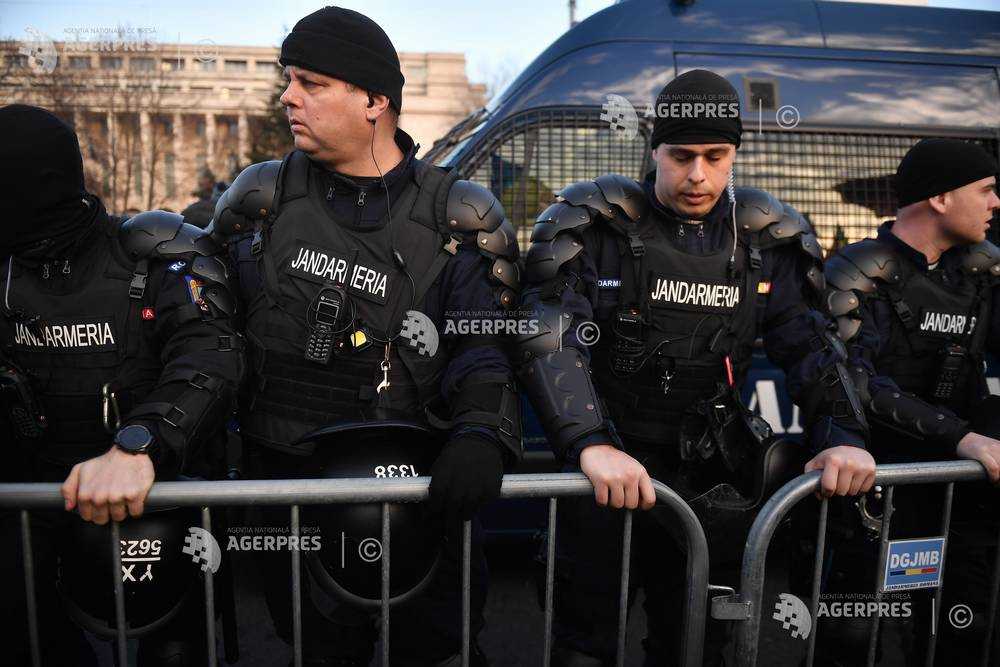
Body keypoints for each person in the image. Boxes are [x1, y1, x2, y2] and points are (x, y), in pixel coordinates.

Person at [513, 69, 875, 666]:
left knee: (697, 646)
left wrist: (844, 436)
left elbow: (811, 346)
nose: (698, 174)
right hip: (606, 473)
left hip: (711, 476)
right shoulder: (593, 223)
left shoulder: (764, 236)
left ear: (736, 153)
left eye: (716, 155)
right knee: (584, 646)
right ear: (653, 149)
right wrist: (591, 442)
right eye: (681, 155)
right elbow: (548, 334)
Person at [212, 7, 522, 665]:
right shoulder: (260, 200)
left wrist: (480, 432)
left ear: (376, 100)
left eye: (311, 83)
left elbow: (482, 344)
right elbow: (207, 334)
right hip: (293, 498)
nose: (288, 97)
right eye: (288, 79)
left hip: (421, 501)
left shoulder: (457, 215)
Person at [0, 104, 244, 665]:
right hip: (36, 512)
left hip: (161, 504)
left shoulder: (155, 253)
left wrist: (140, 443)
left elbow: (212, 355)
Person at [820, 138, 1000, 666]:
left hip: (962, 501)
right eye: (987, 190)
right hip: (874, 496)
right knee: (852, 641)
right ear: (941, 198)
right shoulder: (859, 272)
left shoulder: (980, 272)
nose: (997, 203)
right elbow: (857, 382)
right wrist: (961, 436)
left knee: (960, 634)